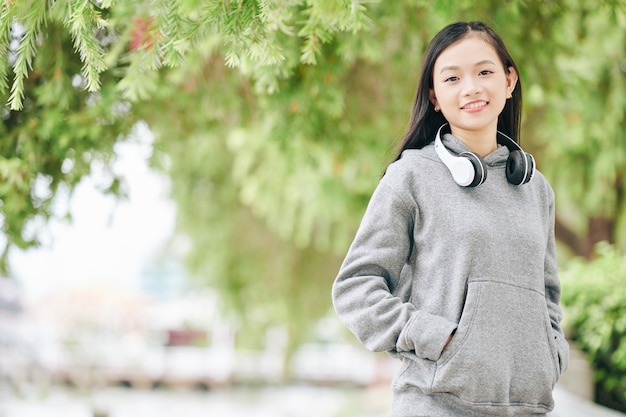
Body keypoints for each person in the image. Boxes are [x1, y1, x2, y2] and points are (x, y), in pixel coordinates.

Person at [331, 21, 569, 417]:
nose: (471, 87)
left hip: (527, 408)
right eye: (453, 77)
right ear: (435, 97)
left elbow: (548, 297)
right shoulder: (412, 176)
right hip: (435, 404)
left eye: (485, 72)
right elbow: (355, 288)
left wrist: (549, 354)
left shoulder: (536, 189)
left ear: (509, 81)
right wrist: (436, 338)